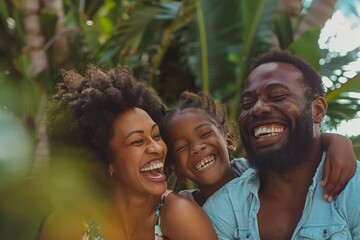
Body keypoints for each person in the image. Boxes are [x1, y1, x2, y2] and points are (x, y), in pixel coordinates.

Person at [40, 65, 218, 240]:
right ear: (104, 160)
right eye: (137, 141)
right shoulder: (67, 226)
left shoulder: (179, 216)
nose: (156, 148)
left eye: (156, 136)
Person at [203, 50, 360, 239]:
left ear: (317, 110)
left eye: (277, 96)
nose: (258, 108)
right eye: (247, 103)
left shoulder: (354, 188)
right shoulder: (225, 208)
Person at [162, 91, 356, 207]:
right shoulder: (184, 208)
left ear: (229, 141)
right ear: (179, 171)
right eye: (182, 147)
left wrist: (335, 141)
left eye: (205, 134)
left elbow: (299, 152)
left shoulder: (263, 173)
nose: (197, 148)